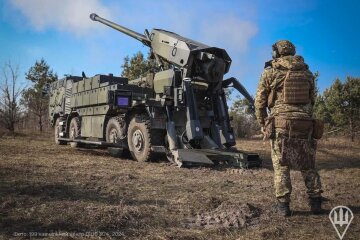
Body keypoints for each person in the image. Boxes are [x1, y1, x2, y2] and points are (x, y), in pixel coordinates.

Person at [255, 40, 323, 216]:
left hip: (281, 124)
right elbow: (312, 100)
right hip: (305, 124)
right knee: (307, 163)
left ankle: (283, 206)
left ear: (276, 53)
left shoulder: (270, 72)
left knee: (281, 165)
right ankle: (315, 203)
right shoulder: (307, 73)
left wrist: (263, 124)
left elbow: (260, 103)